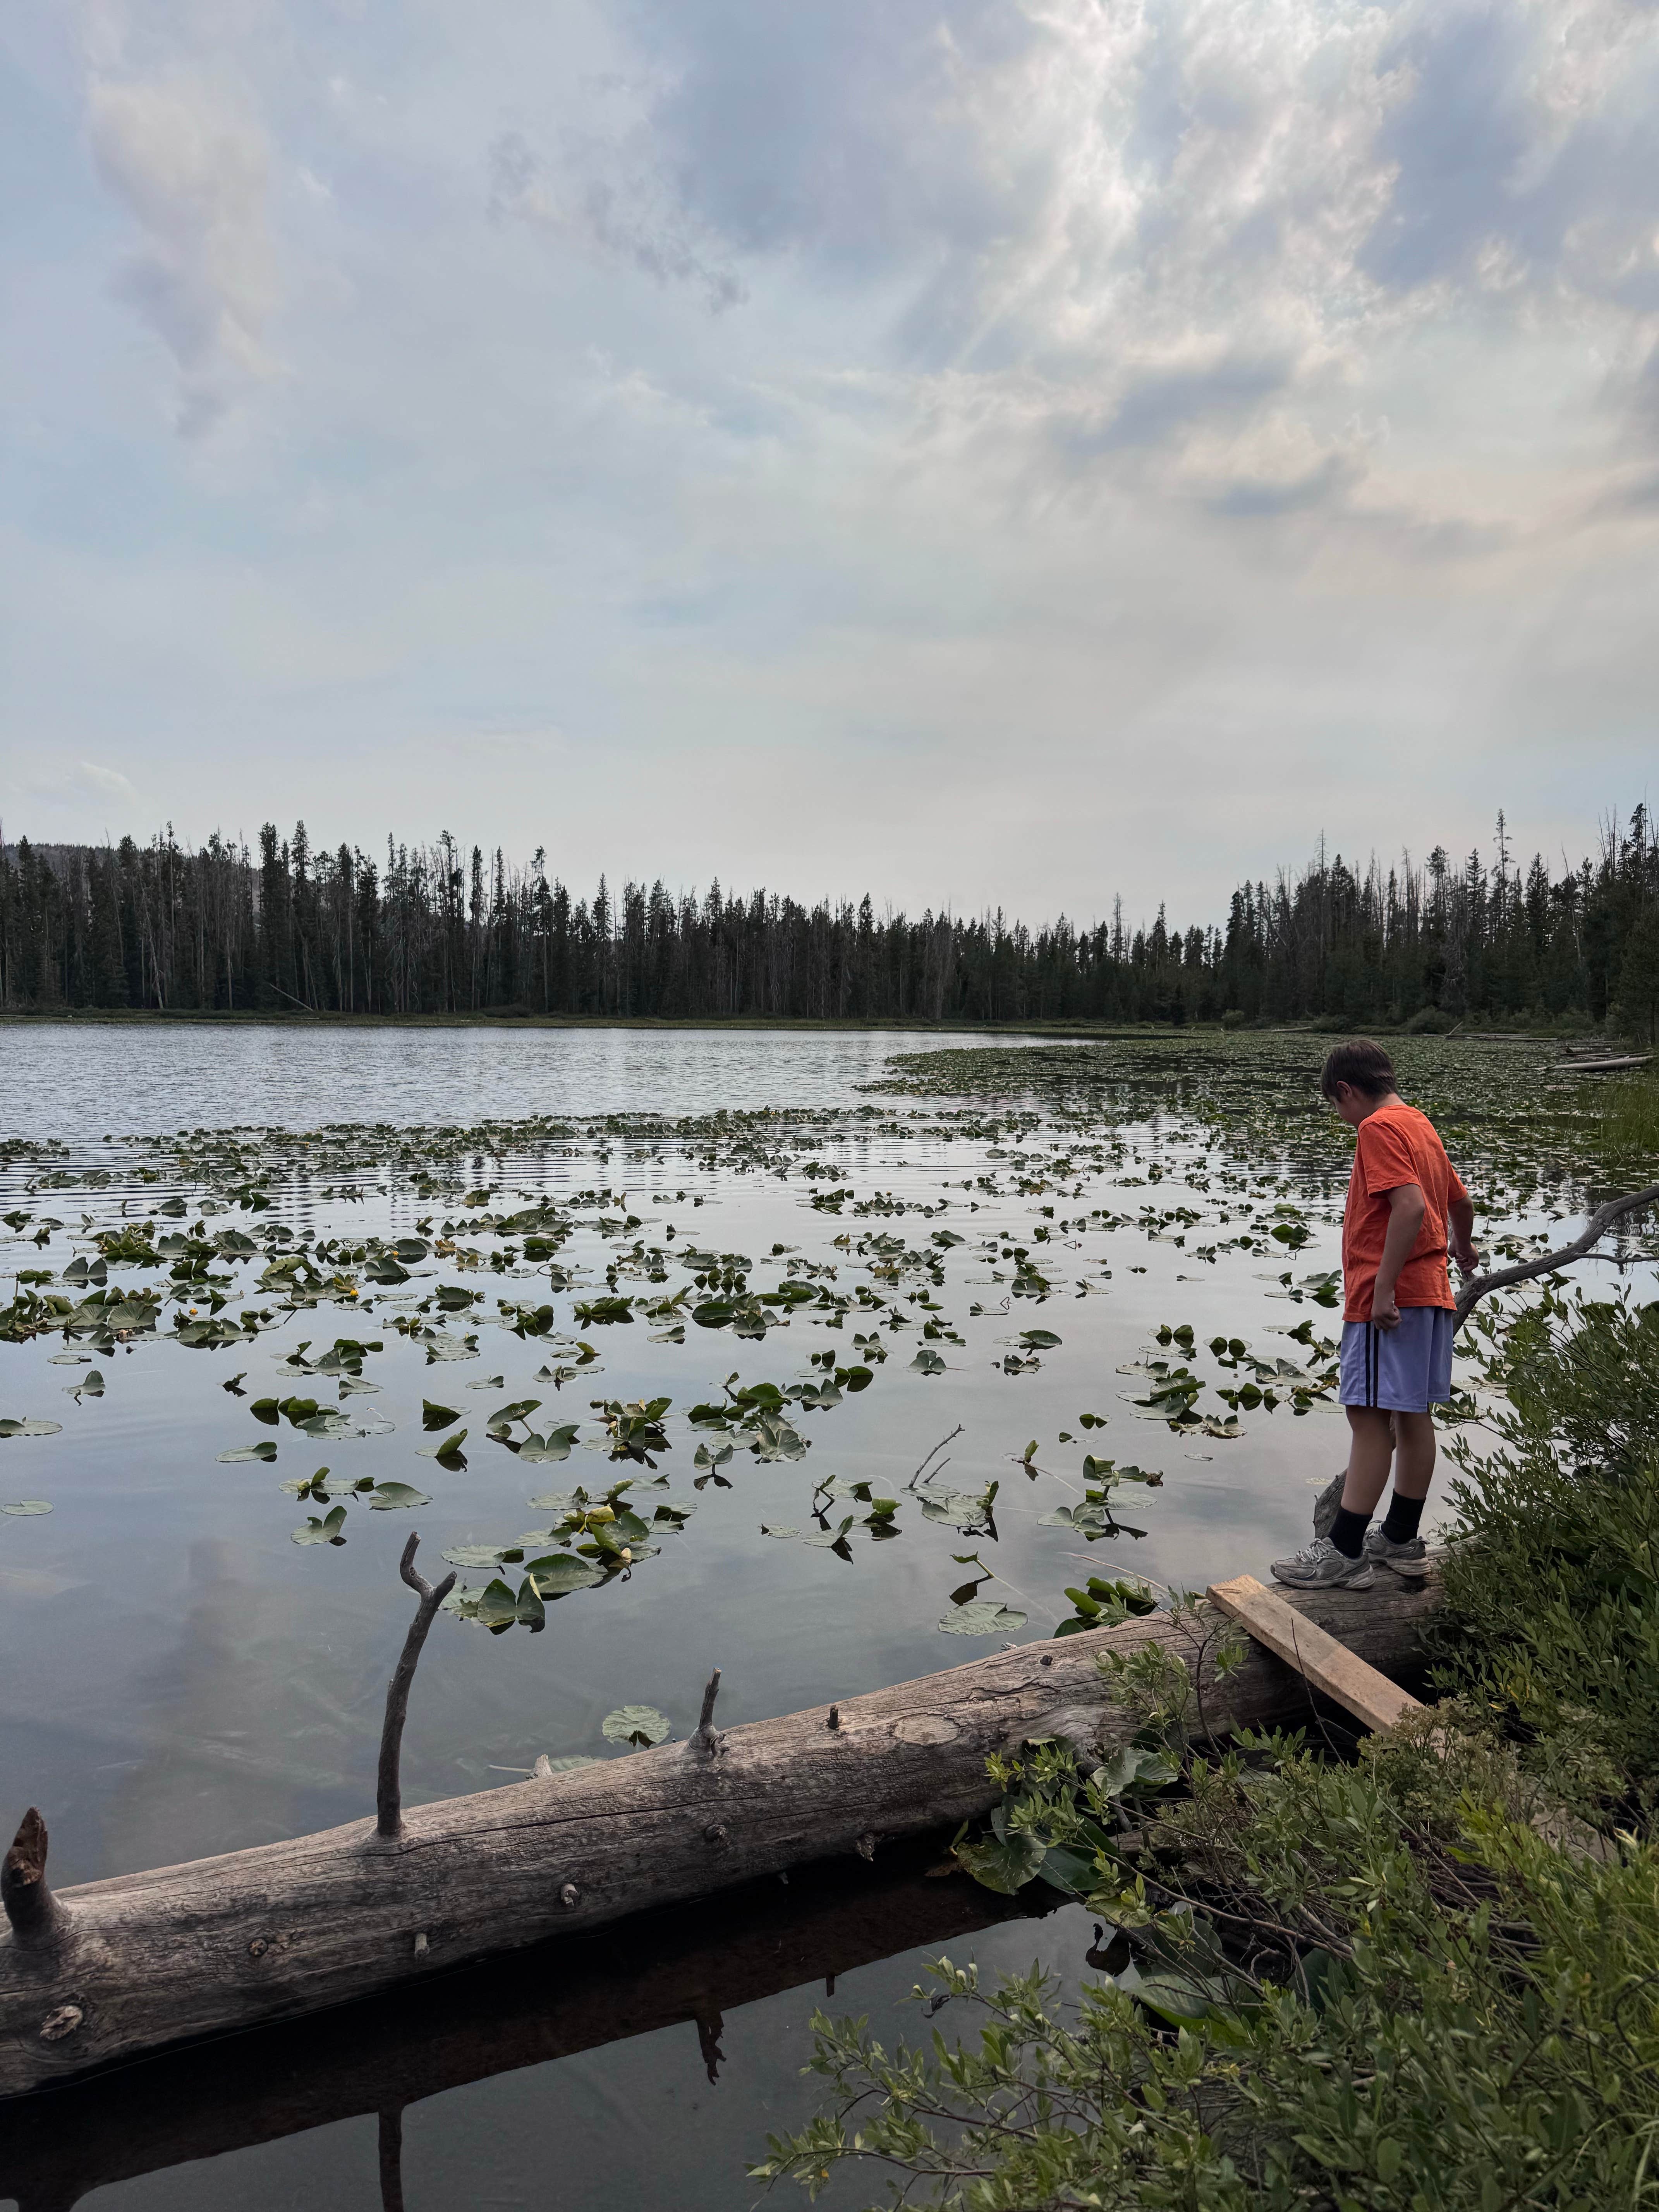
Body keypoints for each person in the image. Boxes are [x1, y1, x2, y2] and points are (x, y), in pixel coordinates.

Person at [1271, 1038, 1479, 1590]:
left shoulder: (1378, 1128)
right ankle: (1401, 1539)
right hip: (1431, 1292)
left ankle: (1343, 1551)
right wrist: (1463, 1246)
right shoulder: (1419, 1123)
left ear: (1346, 1090)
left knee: (1367, 1419)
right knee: (1412, 1416)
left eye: (1335, 1105)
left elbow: (1409, 1206)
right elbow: (1459, 1202)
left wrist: (1383, 1289)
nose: (1340, 1116)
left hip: (1387, 1300)